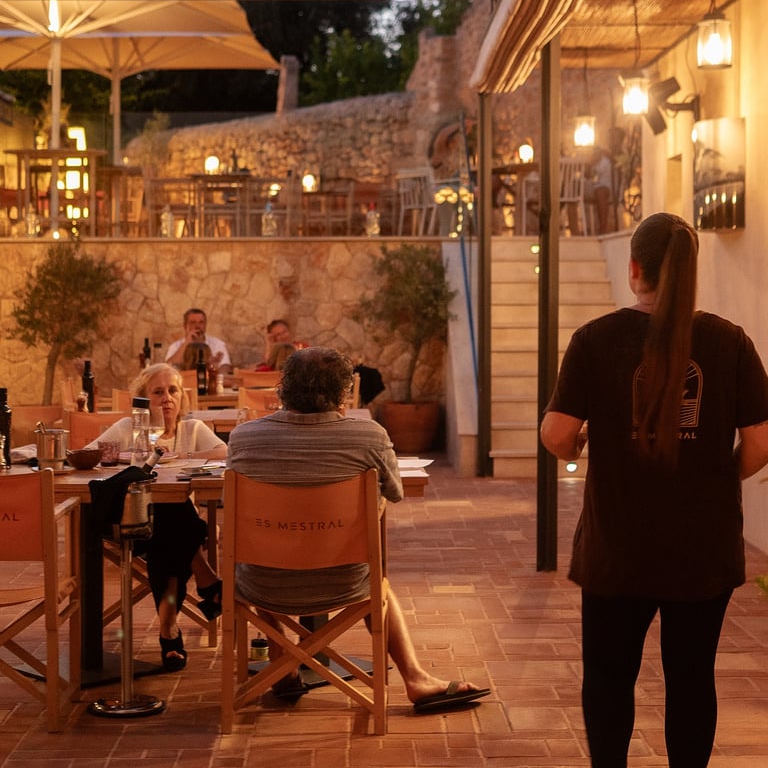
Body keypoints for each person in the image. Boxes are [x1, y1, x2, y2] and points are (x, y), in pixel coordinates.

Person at [540, 212, 768, 767]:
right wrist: (716, 475)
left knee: (609, 677)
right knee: (692, 678)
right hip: (702, 544)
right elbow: (761, 444)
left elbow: (557, 434)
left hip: (618, 543)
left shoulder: (595, 340)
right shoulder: (729, 341)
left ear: (635, 267)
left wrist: (582, 448)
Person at [227, 346, 491, 712]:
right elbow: (394, 493)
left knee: (257, 549)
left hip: (262, 585)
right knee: (376, 578)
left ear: (283, 389)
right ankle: (414, 677)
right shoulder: (369, 436)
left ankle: (279, 660)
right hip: (346, 581)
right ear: (343, 393)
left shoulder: (244, 438)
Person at [87, 363, 227, 671]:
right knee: (179, 522)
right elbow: (92, 454)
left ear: (181, 397)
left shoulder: (191, 429)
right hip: (128, 523)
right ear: (142, 399)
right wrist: (124, 458)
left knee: (169, 528)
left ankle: (168, 630)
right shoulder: (127, 428)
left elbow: (223, 453)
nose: (167, 398)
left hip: (168, 530)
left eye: (173, 390)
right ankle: (207, 581)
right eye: (158, 392)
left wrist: (183, 457)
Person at [165, 308, 231, 374]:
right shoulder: (175, 346)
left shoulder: (217, 344)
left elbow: (226, 367)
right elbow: (168, 368)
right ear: (185, 326)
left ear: (205, 325)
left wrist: (213, 368)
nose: (197, 326)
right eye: (193, 322)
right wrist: (186, 343)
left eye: (201, 322)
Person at [586, 146, 613, 235]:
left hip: (605, 187)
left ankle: (603, 227)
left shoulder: (605, 162)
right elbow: (587, 176)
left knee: (600, 193)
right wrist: (589, 165)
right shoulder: (591, 163)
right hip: (592, 188)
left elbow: (598, 176)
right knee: (572, 195)